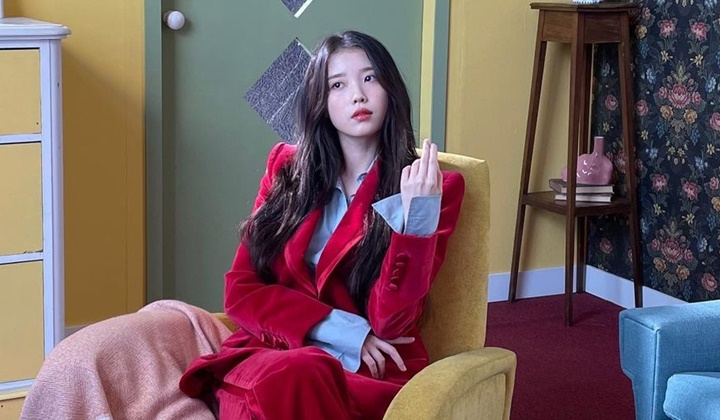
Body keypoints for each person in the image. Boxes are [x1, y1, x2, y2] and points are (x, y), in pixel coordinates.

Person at [178, 30, 465, 419]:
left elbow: (392, 322)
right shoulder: (286, 167)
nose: (358, 95)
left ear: (390, 89)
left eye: (370, 78)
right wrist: (346, 332)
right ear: (321, 101)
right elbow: (241, 290)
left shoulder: (433, 185)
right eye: (338, 85)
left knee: (297, 377)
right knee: (148, 331)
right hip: (277, 351)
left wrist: (416, 222)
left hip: (365, 370)